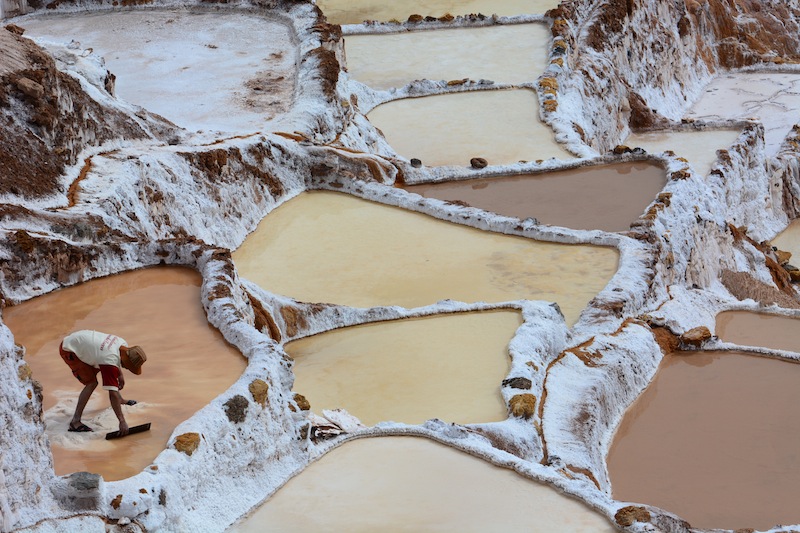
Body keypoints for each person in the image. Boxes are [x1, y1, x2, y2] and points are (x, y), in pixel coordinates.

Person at [59, 330, 147, 436]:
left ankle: (120, 400)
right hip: (69, 349)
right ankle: (75, 422)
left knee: (108, 370)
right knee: (91, 383)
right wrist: (122, 421)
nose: (126, 368)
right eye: (128, 366)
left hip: (81, 341)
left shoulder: (122, 343)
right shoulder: (108, 360)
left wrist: (119, 374)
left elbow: (112, 357)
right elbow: (112, 393)